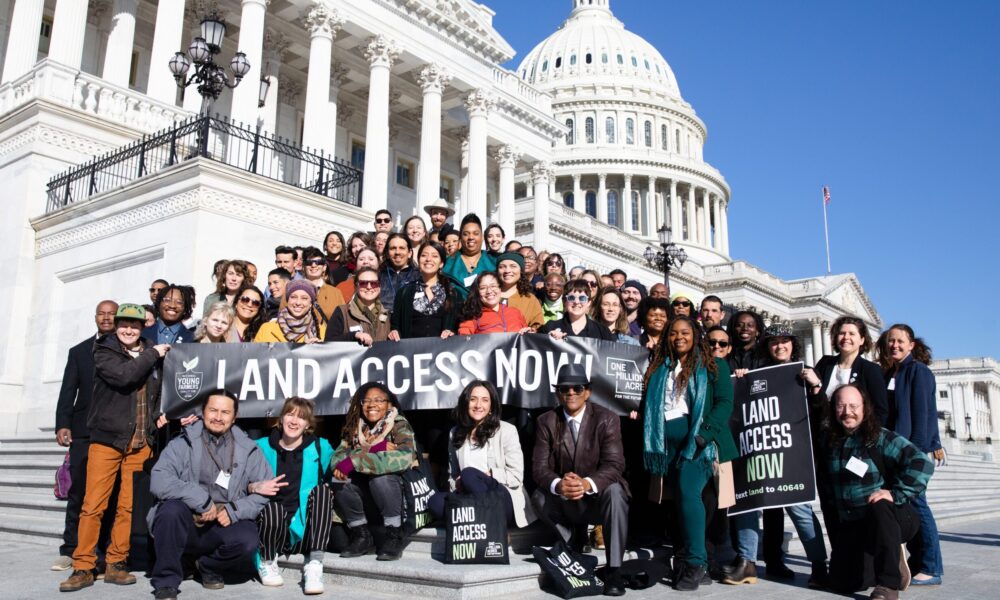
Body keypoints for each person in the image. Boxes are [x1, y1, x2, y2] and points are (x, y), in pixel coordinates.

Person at [59, 304, 170, 592]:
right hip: (107, 440)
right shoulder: (105, 350)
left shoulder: (151, 352)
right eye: (124, 324)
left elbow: (157, 391)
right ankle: (83, 565)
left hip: (138, 443)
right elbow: (125, 376)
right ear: (116, 325)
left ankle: (116, 563)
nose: (128, 329)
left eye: (134, 324)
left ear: (142, 326)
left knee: (127, 507)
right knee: (93, 505)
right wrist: (152, 353)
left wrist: (160, 413)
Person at [726, 324, 828, 586]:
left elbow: (821, 415)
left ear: (793, 344)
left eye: (784, 341)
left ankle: (819, 565)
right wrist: (741, 379)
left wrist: (816, 387)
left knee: (800, 510)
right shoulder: (756, 372)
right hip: (758, 452)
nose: (779, 346)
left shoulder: (804, 374)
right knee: (747, 503)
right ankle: (747, 562)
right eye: (773, 342)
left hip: (792, 453)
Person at [641, 316, 737, 591]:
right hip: (666, 444)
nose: (679, 337)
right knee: (678, 503)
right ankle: (689, 559)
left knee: (688, 492)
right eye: (673, 333)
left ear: (695, 335)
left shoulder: (713, 365)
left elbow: (724, 403)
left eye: (685, 332)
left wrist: (704, 434)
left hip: (698, 442)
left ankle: (697, 562)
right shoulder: (660, 367)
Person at [147, 390, 272, 600]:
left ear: (234, 417)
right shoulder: (181, 443)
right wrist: (200, 500)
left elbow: (264, 491)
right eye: (213, 410)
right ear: (202, 412)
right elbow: (159, 479)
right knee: (169, 511)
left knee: (248, 539)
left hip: (223, 521)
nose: (218, 417)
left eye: (225, 412)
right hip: (189, 519)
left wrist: (235, 510)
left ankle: (205, 566)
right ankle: (167, 580)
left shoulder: (250, 449)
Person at [820, 385, 934, 600]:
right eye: (841, 405)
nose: (847, 411)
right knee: (841, 583)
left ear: (865, 408)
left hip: (893, 516)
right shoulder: (830, 442)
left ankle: (889, 583)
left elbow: (922, 463)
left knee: (879, 505)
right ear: (833, 409)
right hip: (855, 524)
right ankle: (886, 561)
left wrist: (896, 493)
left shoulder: (880, 437)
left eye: (854, 405)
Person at [532, 364, 629, 597]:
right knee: (538, 496)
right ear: (558, 393)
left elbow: (615, 465)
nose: (571, 393)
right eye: (565, 388)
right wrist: (559, 485)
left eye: (577, 388)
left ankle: (614, 569)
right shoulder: (546, 421)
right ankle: (571, 540)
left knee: (616, 492)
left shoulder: (608, 418)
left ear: (587, 391)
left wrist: (586, 484)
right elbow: (539, 468)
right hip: (565, 499)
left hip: (596, 499)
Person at [52, 300, 118, 572]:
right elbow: (68, 390)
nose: (105, 318)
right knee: (78, 490)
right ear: (95, 318)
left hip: (113, 431)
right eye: (101, 314)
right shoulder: (79, 351)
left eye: (111, 314)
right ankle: (70, 549)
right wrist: (62, 423)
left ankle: (101, 550)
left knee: (109, 494)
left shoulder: (127, 348)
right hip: (83, 432)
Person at [876, 324, 944, 586]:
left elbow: (923, 414)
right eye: (891, 341)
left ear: (911, 345)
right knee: (908, 508)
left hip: (910, 451)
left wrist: (915, 452)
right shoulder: (890, 372)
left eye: (900, 341)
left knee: (919, 506)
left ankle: (931, 566)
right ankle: (919, 563)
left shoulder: (918, 371)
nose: (895, 345)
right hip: (894, 450)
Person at [253, 397, 335, 593]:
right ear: (281, 418)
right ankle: (267, 560)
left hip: (305, 530)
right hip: (274, 529)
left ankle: (315, 564)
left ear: (308, 424)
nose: (294, 421)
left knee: (323, 491)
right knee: (271, 506)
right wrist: (254, 486)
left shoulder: (319, 447)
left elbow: (341, 465)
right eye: (290, 414)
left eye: (301, 417)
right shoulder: (260, 446)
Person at [427, 381, 534, 527]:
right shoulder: (455, 433)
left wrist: (490, 474)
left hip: (501, 498)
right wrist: (456, 483)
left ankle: (482, 523)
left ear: (491, 407)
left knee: (469, 474)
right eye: (473, 399)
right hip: (468, 496)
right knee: (435, 502)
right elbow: (452, 476)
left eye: (485, 400)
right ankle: (479, 522)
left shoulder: (507, 430)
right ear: (465, 403)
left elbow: (516, 476)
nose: (478, 405)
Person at [331, 382, 417, 561]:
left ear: (389, 405)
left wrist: (356, 459)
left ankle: (394, 535)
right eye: (367, 400)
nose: (372, 404)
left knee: (381, 478)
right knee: (339, 480)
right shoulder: (355, 428)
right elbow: (338, 459)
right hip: (366, 498)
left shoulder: (398, 424)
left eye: (379, 400)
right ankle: (362, 535)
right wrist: (374, 449)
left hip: (396, 497)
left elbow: (405, 457)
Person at [804, 315, 889, 424]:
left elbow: (880, 411)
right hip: (824, 433)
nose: (846, 337)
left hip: (856, 435)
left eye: (852, 334)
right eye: (842, 333)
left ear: (862, 340)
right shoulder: (825, 363)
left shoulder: (871, 370)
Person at [389, 242, 459, 340]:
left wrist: (451, 332)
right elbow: (395, 324)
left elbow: (458, 325)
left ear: (441, 263)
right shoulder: (404, 292)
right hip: (411, 352)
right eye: (424, 255)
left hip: (442, 352)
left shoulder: (452, 293)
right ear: (418, 260)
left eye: (434, 256)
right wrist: (394, 332)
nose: (428, 259)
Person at [326, 268, 391, 345]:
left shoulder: (388, 314)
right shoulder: (342, 312)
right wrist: (353, 336)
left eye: (374, 283)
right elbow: (328, 342)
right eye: (363, 283)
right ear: (356, 286)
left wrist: (394, 334)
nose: (369, 287)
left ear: (379, 287)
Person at [540, 279, 616, 341]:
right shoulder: (550, 327)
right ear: (564, 302)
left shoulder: (603, 332)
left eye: (582, 298)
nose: (576, 302)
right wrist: (548, 340)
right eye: (571, 298)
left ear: (589, 303)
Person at [443, 214, 496, 301]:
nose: (471, 237)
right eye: (466, 234)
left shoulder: (495, 263)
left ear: (482, 237)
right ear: (460, 238)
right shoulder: (446, 265)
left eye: (476, 233)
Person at [457, 272, 530, 335]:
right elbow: (464, 341)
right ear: (477, 293)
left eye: (493, 286)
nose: (489, 291)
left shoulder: (515, 312)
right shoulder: (472, 317)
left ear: (500, 289)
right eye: (483, 288)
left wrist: (529, 333)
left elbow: (528, 340)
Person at [256, 280, 326, 343]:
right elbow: (257, 355)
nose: (298, 303)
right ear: (287, 300)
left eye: (304, 298)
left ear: (311, 304)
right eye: (293, 297)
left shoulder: (321, 331)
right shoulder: (267, 329)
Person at [497, 251, 545, 330]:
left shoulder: (530, 300)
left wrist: (531, 331)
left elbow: (538, 327)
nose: (507, 271)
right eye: (502, 266)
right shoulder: (488, 296)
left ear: (520, 271)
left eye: (513, 266)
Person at [379, 233, 420, 311]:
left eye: (402, 248)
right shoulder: (379, 274)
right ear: (387, 253)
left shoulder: (419, 276)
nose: (397, 252)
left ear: (409, 253)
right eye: (393, 248)